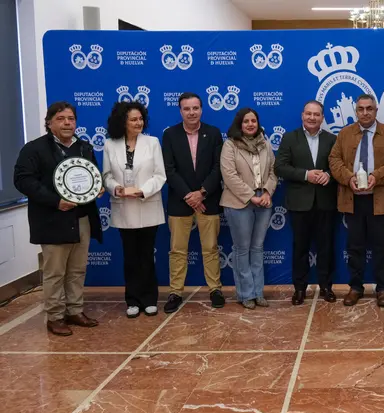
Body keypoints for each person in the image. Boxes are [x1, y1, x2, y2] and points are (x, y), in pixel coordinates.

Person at [13, 102, 102, 336]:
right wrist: (55, 201)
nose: (67, 123)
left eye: (71, 118)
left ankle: (75, 310)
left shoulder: (84, 147)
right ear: (49, 122)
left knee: (77, 269)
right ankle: (55, 316)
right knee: (54, 271)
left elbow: (92, 175)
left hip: (81, 217)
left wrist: (97, 188)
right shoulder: (34, 149)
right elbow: (23, 180)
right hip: (53, 219)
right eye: (61, 118)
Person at [329, 94, 384, 308]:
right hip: (352, 200)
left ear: (376, 110)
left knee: (381, 247)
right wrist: (348, 178)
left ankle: (382, 289)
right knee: (355, 246)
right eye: (361, 109)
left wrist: (377, 176)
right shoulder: (344, 134)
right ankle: (355, 288)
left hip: (380, 200)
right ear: (356, 111)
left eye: (369, 109)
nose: (365, 112)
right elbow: (333, 160)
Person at [102, 102, 167, 318]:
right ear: (123, 122)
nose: (138, 122)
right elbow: (106, 176)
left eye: (140, 119)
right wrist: (117, 188)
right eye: (133, 119)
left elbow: (160, 175)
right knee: (130, 257)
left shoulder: (152, 142)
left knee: (146, 256)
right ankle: (132, 300)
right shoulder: (110, 144)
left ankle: (149, 299)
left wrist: (142, 191)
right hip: (123, 208)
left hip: (147, 205)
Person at [162, 92, 225, 313]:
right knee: (178, 251)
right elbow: (169, 170)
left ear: (201, 109)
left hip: (208, 201)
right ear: (180, 111)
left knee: (210, 248)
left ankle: (215, 289)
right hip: (180, 202)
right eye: (187, 109)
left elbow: (219, 168)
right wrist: (189, 195)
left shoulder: (214, 133)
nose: (191, 112)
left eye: (195, 108)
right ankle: (175, 292)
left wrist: (202, 193)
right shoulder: (170, 135)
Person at [275, 100, 337, 305]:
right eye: (309, 114)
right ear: (302, 115)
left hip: (325, 203)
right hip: (300, 203)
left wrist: (329, 175)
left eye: (316, 114)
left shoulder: (332, 139)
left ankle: (327, 287)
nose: (312, 118)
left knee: (326, 247)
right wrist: (305, 175)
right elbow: (280, 167)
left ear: (322, 117)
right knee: (300, 247)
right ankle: (299, 289)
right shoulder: (289, 138)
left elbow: (339, 167)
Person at [220, 108, 277, 309]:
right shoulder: (230, 145)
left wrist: (268, 192)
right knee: (242, 249)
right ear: (239, 124)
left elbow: (273, 171)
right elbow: (229, 175)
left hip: (264, 202)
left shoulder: (265, 143)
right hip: (239, 203)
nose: (251, 124)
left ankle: (258, 293)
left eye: (254, 120)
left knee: (257, 248)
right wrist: (251, 196)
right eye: (246, 121)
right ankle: (245, 294)